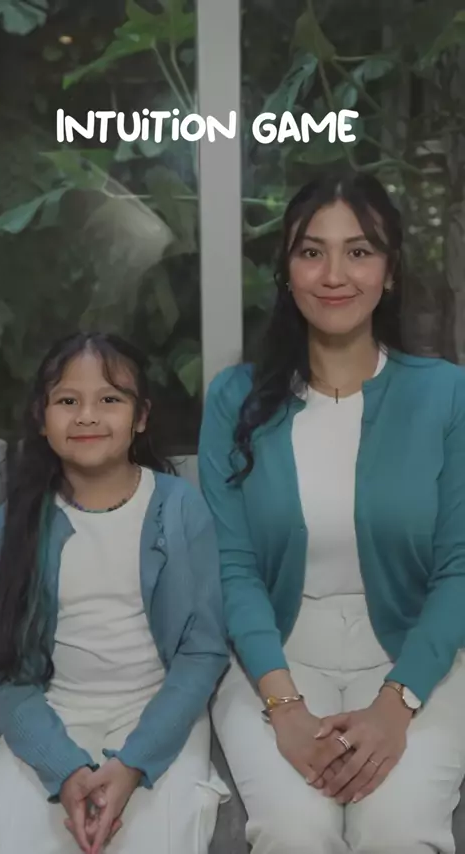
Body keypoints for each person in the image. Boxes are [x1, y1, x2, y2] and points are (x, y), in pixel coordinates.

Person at [198, 169, 465, 854]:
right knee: (295, 831)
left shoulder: (447, 395)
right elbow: (232, 568)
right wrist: (284, 707)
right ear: (286, 272)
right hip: (271, 658)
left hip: (417, 657)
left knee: (398, 831)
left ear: (390, 271)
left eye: (359, 251)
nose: (334, 274)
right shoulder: (233, 400)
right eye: (312, 252)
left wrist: (396, 703)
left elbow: (459, 568)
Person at [0, 332, 229, 854]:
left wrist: (133, 763)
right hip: (50, 710)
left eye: (110, 399)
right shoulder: (18, 521)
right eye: (67, 401)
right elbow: (1, 664)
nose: (87, 416)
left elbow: (202, 652)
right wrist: (64, 768)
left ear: (141, 417)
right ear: (41, 417)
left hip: (157, 712)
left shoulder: (179, 509)